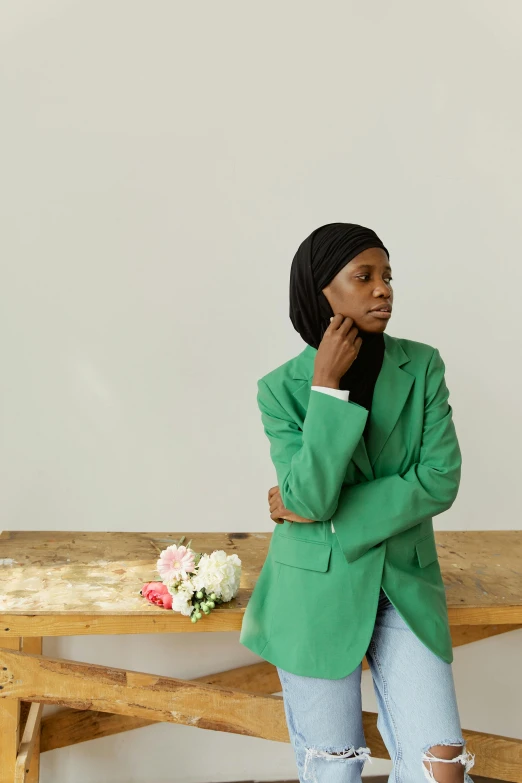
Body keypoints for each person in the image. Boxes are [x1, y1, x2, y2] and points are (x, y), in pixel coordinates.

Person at [239, 222, 475, 783]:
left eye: (387, 276)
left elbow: (440, 478)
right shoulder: (281, 388)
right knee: (334, 769)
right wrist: (326, 387)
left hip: (402, 587)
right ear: (322, 290)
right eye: (363, 276)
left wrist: (326, 515)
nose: (383, 289)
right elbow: (313, 497)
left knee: (441, 766)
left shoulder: (421, 366)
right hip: (314, 591)